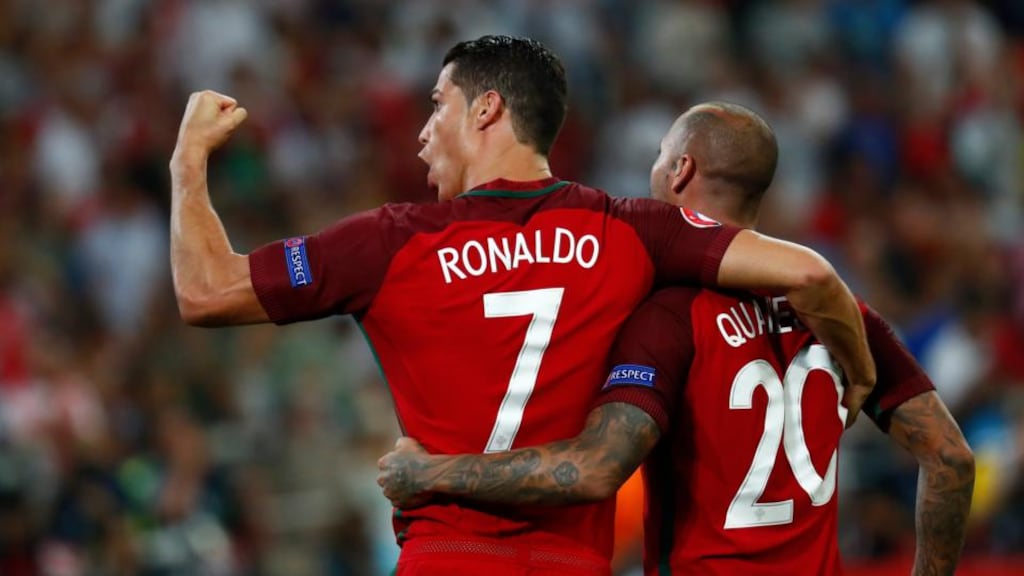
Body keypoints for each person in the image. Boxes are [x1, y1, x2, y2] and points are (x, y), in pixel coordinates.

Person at [169, 35, 876, 575]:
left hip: (449, 554)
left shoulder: (390, 242)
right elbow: (810, 275)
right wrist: (860, 370)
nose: (421, 132)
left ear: (487, 108)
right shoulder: (627, 229)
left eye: (437, 105)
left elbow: (205, 292)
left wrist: (187, 162)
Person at [376, 103, 975, 575]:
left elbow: (593, 469)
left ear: (681, 169)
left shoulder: (669, 314)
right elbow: (950, 459)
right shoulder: (846, 320)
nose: (654, 169)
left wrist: (430, 473)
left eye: (660, 156)